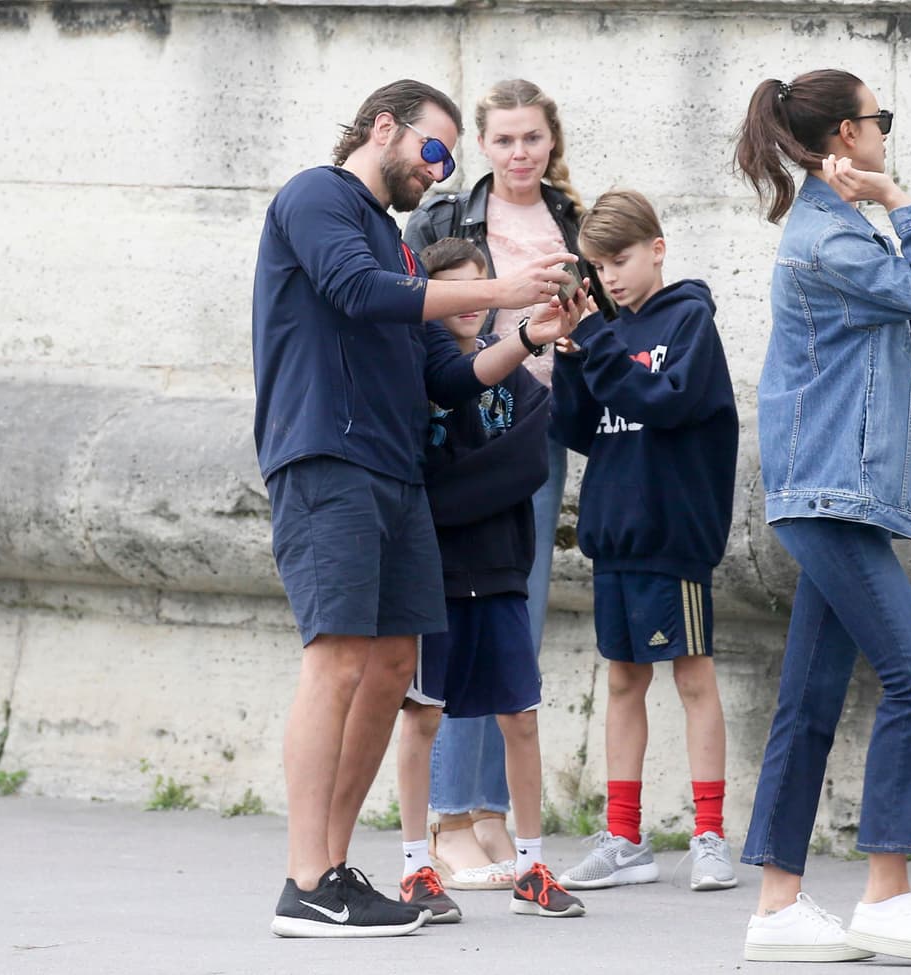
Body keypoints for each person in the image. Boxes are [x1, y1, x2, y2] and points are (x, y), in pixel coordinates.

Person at [252, 79, 583, 938]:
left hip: (395, 472)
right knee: (337, 657)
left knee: (396, 662)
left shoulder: (400, 246)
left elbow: (442, 374)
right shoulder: (316, 197)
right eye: (435, 152)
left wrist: (527, 337)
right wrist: (504, 288)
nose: (440, 174)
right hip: (329, 454)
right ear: (385, 128)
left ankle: (330, 868)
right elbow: (359, 294)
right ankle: (305, 875)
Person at [733, 69, 911, 963]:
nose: (887, 132)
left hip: (840, 491)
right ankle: (887, 891)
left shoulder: (833, 227)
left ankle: (776, 907)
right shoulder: (830, 241)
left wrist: (881, 202)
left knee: (806, 699)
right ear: (847, 133)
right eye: (881, 121)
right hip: (829, 493)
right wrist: (903, 199)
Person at [403, 79, 606, 887]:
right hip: (459, 421)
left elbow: (601, 318)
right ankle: (449, 815)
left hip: (537, 424)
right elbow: (415, 306)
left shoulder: (573, 222)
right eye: (506, 139)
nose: (521, 152)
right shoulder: (448, 217)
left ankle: (490, 813)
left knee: (510, 612)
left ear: (552, 141)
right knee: (453, 612)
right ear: (484, 147)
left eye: (534, 138)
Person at [549, 190, 740, 894]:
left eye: (621, 260)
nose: (612, 277)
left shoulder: (689, 320)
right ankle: (626, 838)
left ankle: (710, 833)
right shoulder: (603, 332)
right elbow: (576, 429)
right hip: (614, 537)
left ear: (657, 248)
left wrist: (596, 340)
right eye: (598, 266)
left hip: (673, 535)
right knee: (624, 679)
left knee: (693, 676)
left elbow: (666, 402)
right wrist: (571, 355)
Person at [394, 237, 585, 921]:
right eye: (457, 290)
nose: (472, 303)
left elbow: (528, 463)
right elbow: (433, 479)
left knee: (521, 717)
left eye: (483, 286)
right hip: (438, 576)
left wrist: (455, 485)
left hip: (503, 570)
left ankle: (532, 862)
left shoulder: (517, 383)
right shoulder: (419, 374)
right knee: (423, 717)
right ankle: (418, 864)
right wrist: (472, 481)